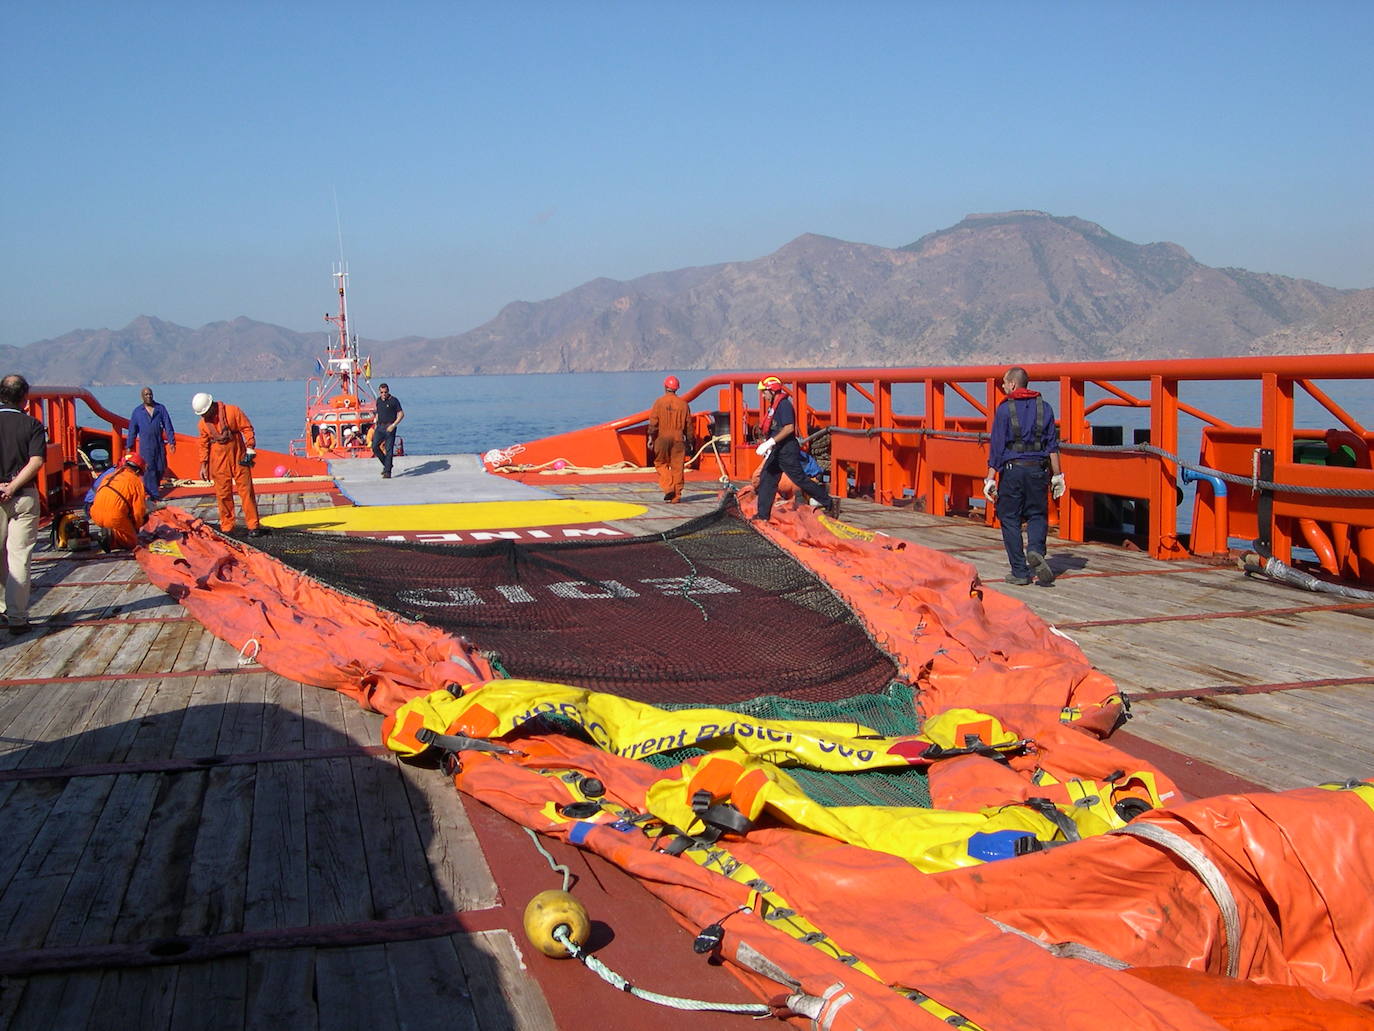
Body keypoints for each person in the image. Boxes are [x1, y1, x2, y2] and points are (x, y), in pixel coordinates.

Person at [985, 366, 1066, 586]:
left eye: (1004, 383)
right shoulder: (1046, 408)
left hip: (1012, 471)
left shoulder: (1004, 410)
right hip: (1038, 470)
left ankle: (1020, 572)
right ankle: (1036, 551)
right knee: (1037, 514)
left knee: (1009, 518)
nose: (1002, 387)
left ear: (1013, 384)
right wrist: (1058, 476)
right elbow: (1052, 446)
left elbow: (997, 448)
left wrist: (991, 477)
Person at [753, 376, 839, 522]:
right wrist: (769, 445)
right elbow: (775, 428)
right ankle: (762, 516)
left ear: (772, 390)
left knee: (799, 479)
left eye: (764, 392)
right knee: (767, 478)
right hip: (777, 449)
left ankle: (829, 502)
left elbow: (789, 428)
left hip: (786, 450)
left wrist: (770, 442)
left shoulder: (784, 405)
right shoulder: (773, 405)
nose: (763, 395)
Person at [0, 374, 46, 635]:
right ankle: (18, 618)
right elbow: (36, 461)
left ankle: (2, 609)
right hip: (23, 495)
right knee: (19, 556)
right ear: (24, 398)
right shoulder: (32, 425)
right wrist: (13, 486)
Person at [192, 392, 268, 537]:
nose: (205, 415)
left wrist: (250, 446)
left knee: (246, 491)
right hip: (218, 459)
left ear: (211, 405)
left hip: (238, 454)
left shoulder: (233, 411)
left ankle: (253, 526)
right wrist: (204, 465)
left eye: (206, 412)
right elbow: (203, 444)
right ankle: (227, 527)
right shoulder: (202, 425)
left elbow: (246, 428)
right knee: (222, 494)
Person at [89, 452, 149, 550]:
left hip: (95, 515)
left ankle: (108, 533)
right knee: (132, 542)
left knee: (119, 520)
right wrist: (136, 526)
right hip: (114, 517)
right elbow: (138, 511)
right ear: (138, 471)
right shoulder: (135, 482)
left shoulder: (109, 476)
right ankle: (112, 539)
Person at [125, 386, 176, 499]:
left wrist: (172, 441)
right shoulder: (137, 412)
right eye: (146, 394)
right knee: (149, 469)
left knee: (161, 467)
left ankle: (154, 488)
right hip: (146, 446)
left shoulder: (160, 409)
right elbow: (132, 430)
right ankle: (153, 494)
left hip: (159, 443)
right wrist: (129, 446)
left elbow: (168, 425)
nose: (149, 396)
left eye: (150, 394)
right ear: (142, 397)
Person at [647, 375, 691, 502]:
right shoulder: (684, 404)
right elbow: (689, 426)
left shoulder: (659, 402)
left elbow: (653, 423)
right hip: (678, 440)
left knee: (660, 463)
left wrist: (650, 438)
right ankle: (676, 496)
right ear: (677, 388)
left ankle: (669, 488)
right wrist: (690, 441)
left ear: (665, 387)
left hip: (662, 438)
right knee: (678, 467)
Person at [372, 383, 404, 479]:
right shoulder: (378, 401)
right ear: (379, 392)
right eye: (382, 392)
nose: (384, 394)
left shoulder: (394, 401)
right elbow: (378, 412)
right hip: (380, 427)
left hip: (390, 427)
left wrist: (394, 425)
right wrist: (375, 423)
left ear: (388, 391)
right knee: (374, 447)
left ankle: (387, 472)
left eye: (385, 392)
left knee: (389, 449)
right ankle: (387, 464)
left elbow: (401, 414)